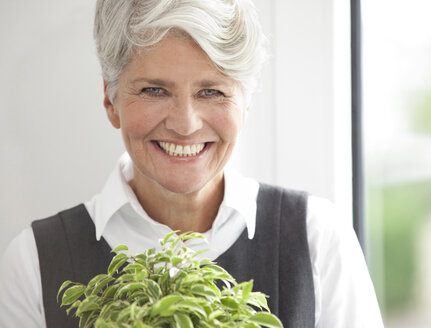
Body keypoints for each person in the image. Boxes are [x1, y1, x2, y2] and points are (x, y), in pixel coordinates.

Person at [0, 0, 383, 327]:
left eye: (212, 91)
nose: (185, 123)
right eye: (154, 90)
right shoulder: (33, 263)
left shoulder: (318, 242)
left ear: (245, 102)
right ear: (109, 97)